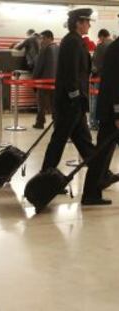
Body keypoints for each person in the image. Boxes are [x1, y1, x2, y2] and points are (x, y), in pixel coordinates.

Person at [40, 8, 119, 196]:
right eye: (86, 22)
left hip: (74, 103)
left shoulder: (76, 42)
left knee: (84, 142)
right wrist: (76, 98)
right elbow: (70, 75)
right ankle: (45, 178)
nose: (89, 25)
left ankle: (100, 174)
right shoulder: (72, 42)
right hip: (70, 104)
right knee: (59, 141)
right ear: (78, 23)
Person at [82, 31, 119, 205]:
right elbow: (115, 84)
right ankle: (90, 193)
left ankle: (92, 191)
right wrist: (117, 113)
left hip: (111, 111)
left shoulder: (114, 47)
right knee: (102, 153)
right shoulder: (116, 49)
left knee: (102, 153)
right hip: (113, 112)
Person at [32, 30, 59, 129]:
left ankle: (40, 122)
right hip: (55, 81)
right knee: (54, 104)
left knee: (41, 104)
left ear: (49, 38)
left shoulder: (44, 49)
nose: (41, 41)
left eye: (42, 38)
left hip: (43, 81)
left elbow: (39, 67)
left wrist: (34, 80)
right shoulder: (58, 48)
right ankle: (56, 123)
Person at [89, 29, 113, 130]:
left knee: (95, 100)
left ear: (102, 36)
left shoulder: (102, 46)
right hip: (112, 79)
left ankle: (94, 123)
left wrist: (92, 74)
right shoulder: (114, 44)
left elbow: (95, 64)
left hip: (99, 78)